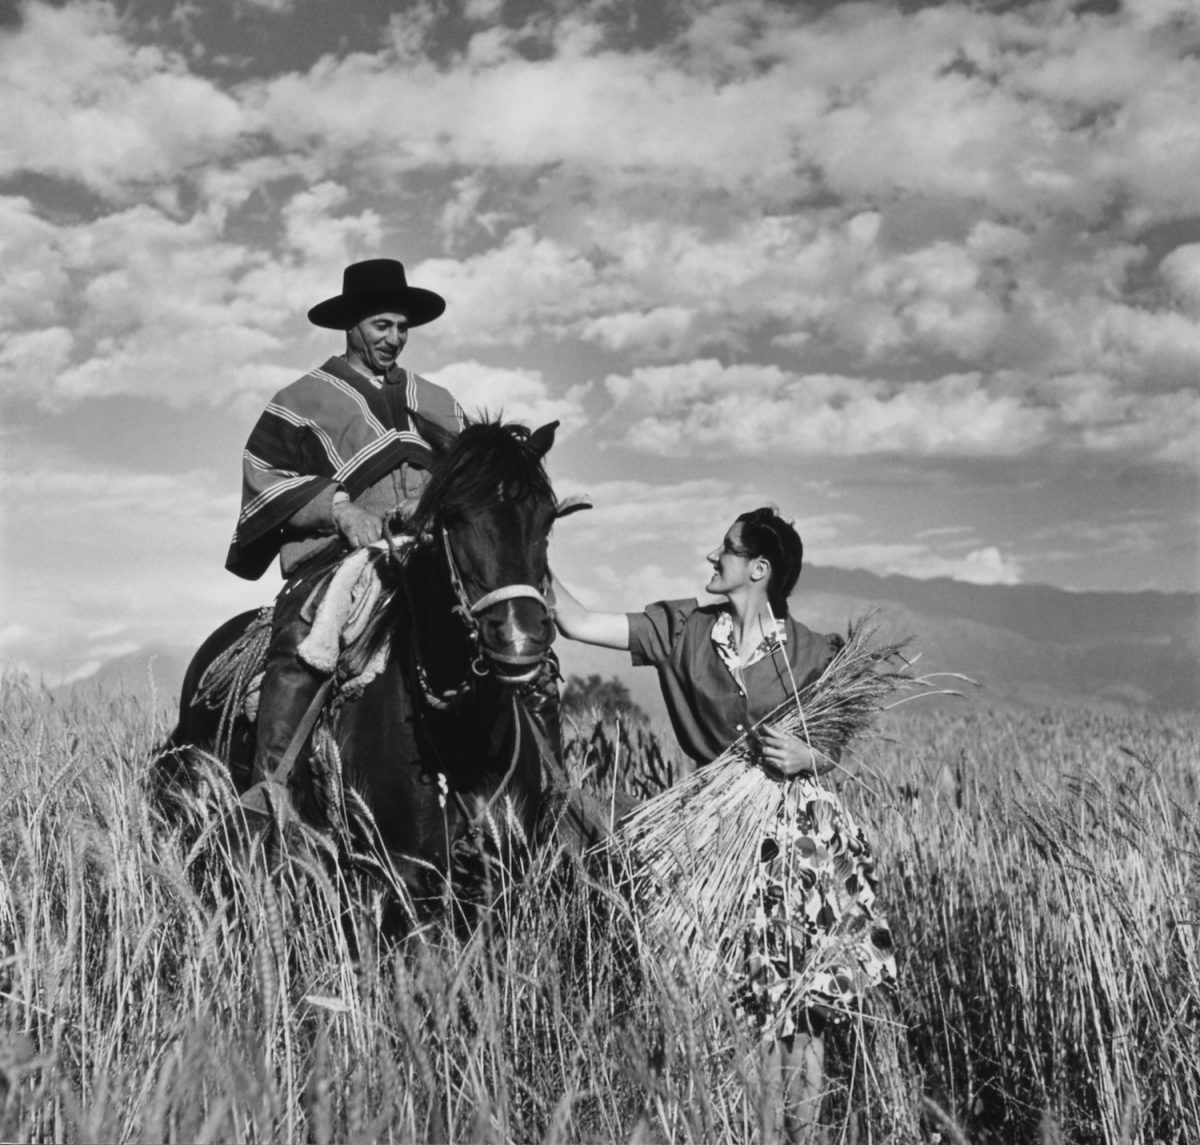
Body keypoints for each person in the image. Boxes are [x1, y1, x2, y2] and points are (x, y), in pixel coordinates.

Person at [550, 506, 896, 1144]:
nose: (714, 556)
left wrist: (806, 756)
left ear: (759, 570)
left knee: (798, 1010)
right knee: (730, 1001)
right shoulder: (681, 629)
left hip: (798, 845)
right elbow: (573, 620)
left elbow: (835, 746)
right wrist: (526, 546)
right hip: (710, 841)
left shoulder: (814, 655)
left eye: (727, 550)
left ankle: (802, 1136)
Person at [226, 258, 463, 814]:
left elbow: (471, 478)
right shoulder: (301, 399)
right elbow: (264, 473)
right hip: (339, 560)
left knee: (500, 633)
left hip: (427, 556)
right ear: (352, 325)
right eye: (383, 325)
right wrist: (339, 509)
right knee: (304, 640)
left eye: (403, 327)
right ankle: (271, 793)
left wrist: (432, 503)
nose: (396, 339)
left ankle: (537, 786)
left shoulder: (441, 401)